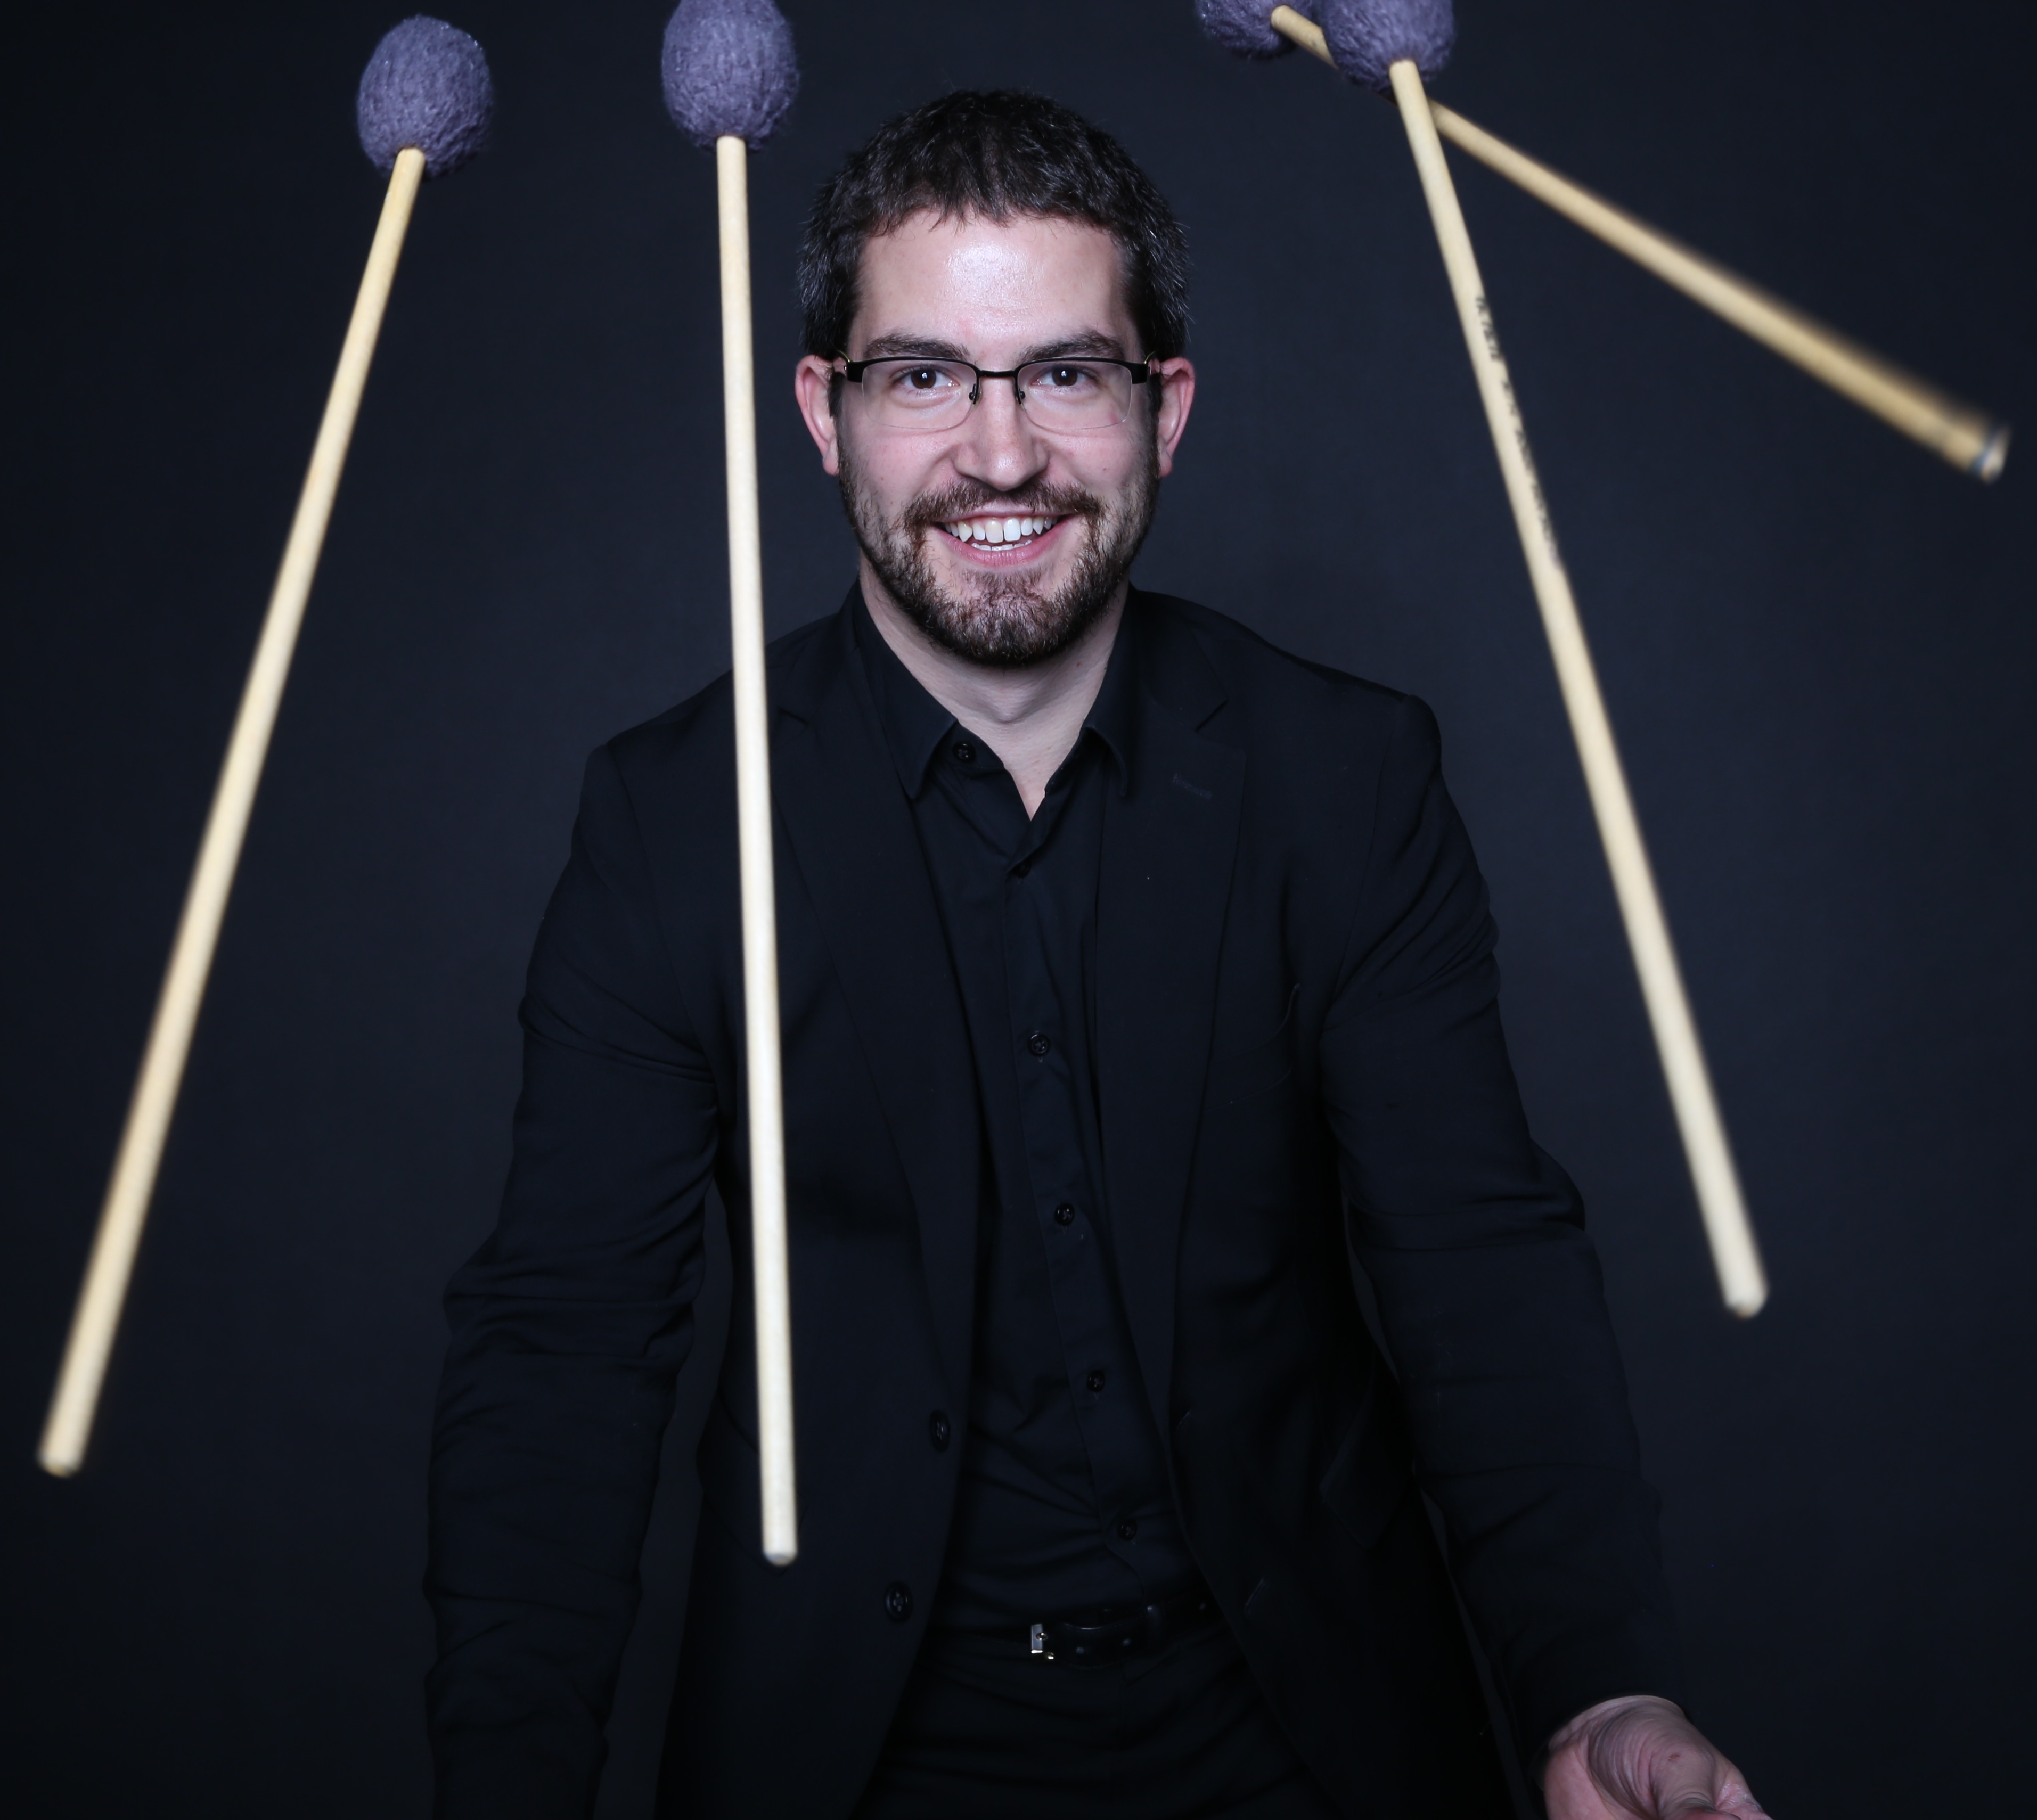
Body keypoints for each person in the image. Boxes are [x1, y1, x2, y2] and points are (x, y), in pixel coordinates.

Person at [424, 91, 1766, 1820]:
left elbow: (1477, 1260)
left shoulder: (1341, 777)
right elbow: (563, 1352)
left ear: (1165, 410)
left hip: (1302, 1734)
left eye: (1064, 373)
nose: (999, 454)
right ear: (823, 415)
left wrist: (1601, 1682)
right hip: (857, 1755)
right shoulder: (673, 820)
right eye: (925, 376)